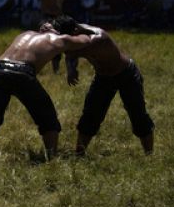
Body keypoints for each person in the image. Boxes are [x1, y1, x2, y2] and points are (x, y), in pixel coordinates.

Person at [0, 24, 101, 161]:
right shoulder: (59, 39)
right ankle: (51, 158)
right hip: (23, 71)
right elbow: (86, 40)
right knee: (48, 117)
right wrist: (81, 29)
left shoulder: (25, 34)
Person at [48, 16, 154, 156]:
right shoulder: (77, 33)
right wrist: (71, 69)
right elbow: (70, 53)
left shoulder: (96, 39)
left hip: (126, 75)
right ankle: (79, 154)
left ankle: (149, 154)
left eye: (67, 38)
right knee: (91, 114)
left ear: (75, 31)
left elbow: (70, 50)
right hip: (103, 77)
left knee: (138, 114)